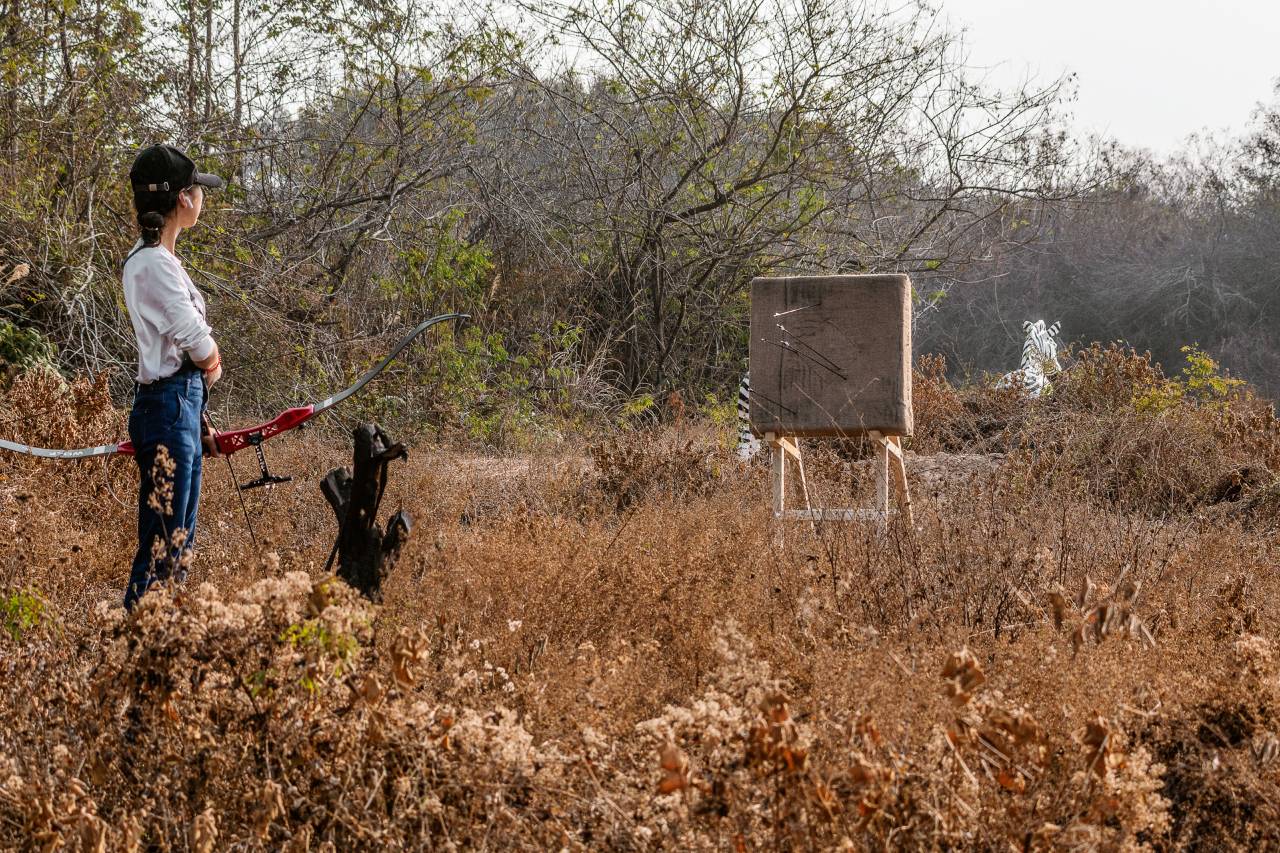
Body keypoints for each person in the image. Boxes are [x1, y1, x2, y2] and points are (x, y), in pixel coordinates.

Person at [122, 144, 225, 609]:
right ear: (182, 199)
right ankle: (136, 644)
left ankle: (161, 647)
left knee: (176, 544)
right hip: (168, 405)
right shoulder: (151, 264)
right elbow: (195, 339)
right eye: (197, 190)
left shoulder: (159, 261)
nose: (202, 198)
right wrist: (211, 359)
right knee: (163, 545)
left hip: (179, 404)